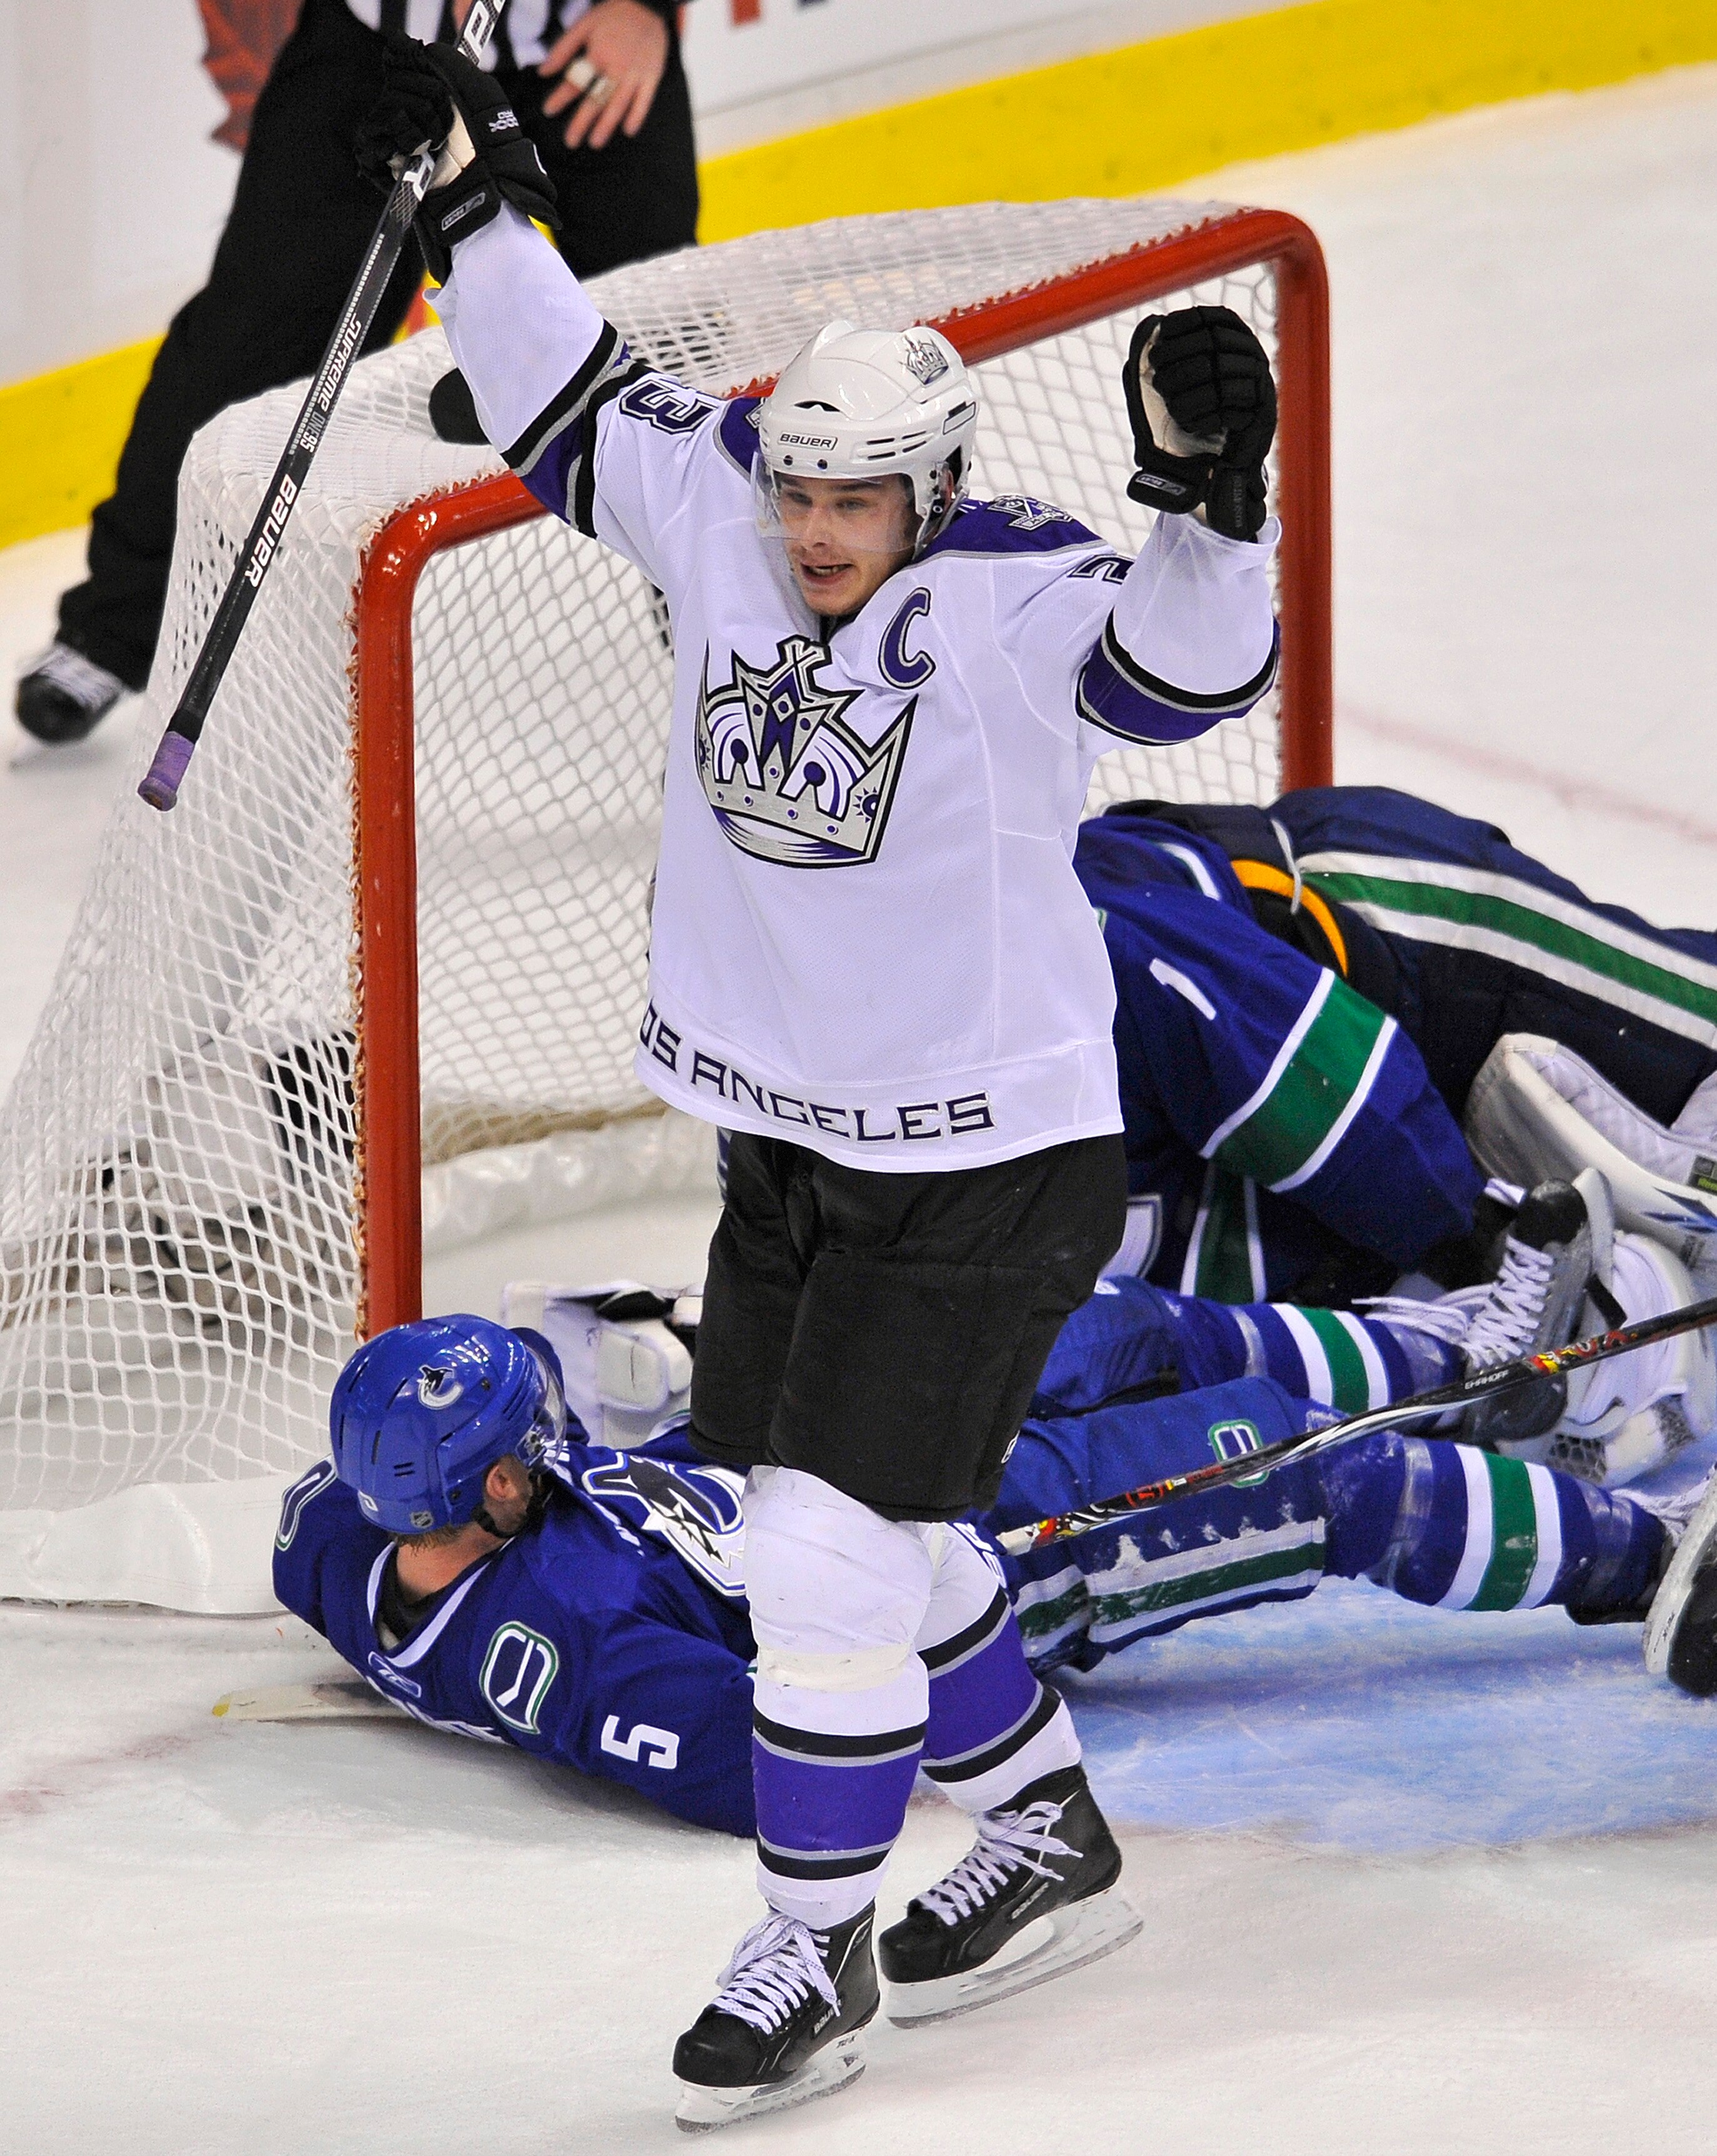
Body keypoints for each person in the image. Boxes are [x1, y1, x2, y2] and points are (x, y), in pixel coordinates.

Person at [354, 33, 1284, 2128]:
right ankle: (1041, 1827)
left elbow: (1184, 664)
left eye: (854, 496)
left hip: (988, 1166)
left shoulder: (1015, 593)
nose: (812, 526)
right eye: (795, 485)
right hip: (784, 1142)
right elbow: (569, 395)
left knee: (836, 1564)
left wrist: (1215, 501)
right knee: (806, 1540)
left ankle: (814, 1942)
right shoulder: (722, 506)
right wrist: (479, 202)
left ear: (932, 489)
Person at [274, 1210, 1709, 1912]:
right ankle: (1650, 1567)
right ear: (506, 1488)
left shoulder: (342, 1533)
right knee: (1316, 1474)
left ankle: (1481, 1362)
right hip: (980, 1554)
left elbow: (321, 1526)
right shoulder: (590, 1643)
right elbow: (800, 1767)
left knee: (1113, 1321)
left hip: (844, 1447)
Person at [14, 0, 697, 745]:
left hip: (585, 46)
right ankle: (113, 627)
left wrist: (647, 9)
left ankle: (722, 619)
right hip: (383, 52)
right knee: (250, 335)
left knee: (664, 334)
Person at [1076, 786, 1717, 1316]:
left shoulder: (1048, 957)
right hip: (1342, 1221)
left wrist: (1476, 1247)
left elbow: (1314, 1072)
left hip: (1400, 953)